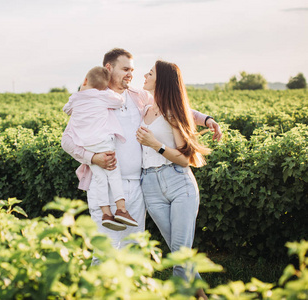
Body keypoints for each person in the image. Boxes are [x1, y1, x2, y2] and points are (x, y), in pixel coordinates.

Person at [61, 48, 222, 265]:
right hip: (104, 185)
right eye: (125, 69)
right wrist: (93, 158)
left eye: (133, 69)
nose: (131, 74)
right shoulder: (91, 100)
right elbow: (68, 142)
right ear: (109, 68)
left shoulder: (139, 97)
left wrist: (207, 119)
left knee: (134, 250)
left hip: (138, 185)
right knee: (105, 250)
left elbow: (176, 107)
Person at [136, 60, 211, 299]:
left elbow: (184, 159)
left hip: (178, 183)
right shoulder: (144, 108)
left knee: (179, 255)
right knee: (180, 254)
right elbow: (193, 113)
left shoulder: (172, 113)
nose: (145, 75)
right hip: (150, 185)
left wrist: (155, 145)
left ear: (163, 80)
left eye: (151, 72)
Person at [63, 66, 138, 231]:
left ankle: (106, 213)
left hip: (87, 146)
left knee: (100, 178)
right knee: (113, 175)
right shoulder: (103, 95)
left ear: (85, 81)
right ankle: (121, 210)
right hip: (104, 143)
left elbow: (67, 109)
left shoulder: (75, 98)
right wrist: (108, 92)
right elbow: (120, 101)